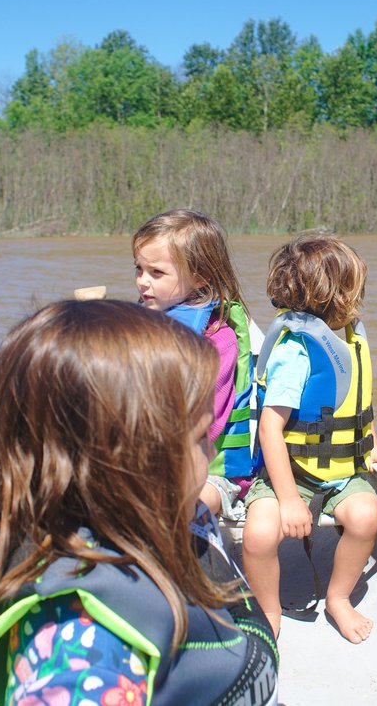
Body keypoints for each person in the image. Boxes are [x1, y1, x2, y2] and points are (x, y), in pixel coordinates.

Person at [0, 300, 278, 706]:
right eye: (200, 437)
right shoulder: (80, 646)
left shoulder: (169, 514)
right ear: (130, 463)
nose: (212, 446)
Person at [241, 233, 377, 644]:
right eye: (355, 289)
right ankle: (269, 609)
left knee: (365, 517)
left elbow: (357, 400)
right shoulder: (297, 352)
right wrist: (289, 499)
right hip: (287, 472)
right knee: (258, 534)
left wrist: (372, 442)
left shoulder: (352, 336)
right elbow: (270, 427)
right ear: (335, 296)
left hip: (341, 471)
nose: (360, 299)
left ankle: (338, 599)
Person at [132, 209, 256, 522]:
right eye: (139, 269)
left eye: (156, 273)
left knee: (179, 504)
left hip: (210, 471)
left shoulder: (218, 340)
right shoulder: (139, 324)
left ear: (199, 277)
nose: (142, 282)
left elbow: (207, 424)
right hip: (149, 458)